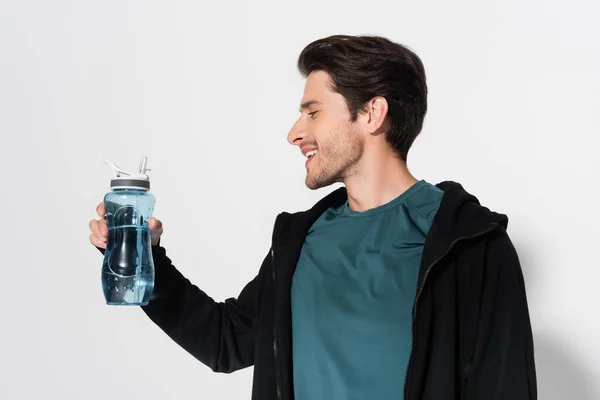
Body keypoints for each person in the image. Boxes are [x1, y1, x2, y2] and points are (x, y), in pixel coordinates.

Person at [89, 34, 537, 400]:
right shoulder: (300, 241)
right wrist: (148, 263)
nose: (294, 132)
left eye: (313, 112)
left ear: (371, 113)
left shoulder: (471, 245)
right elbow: (226, 342)